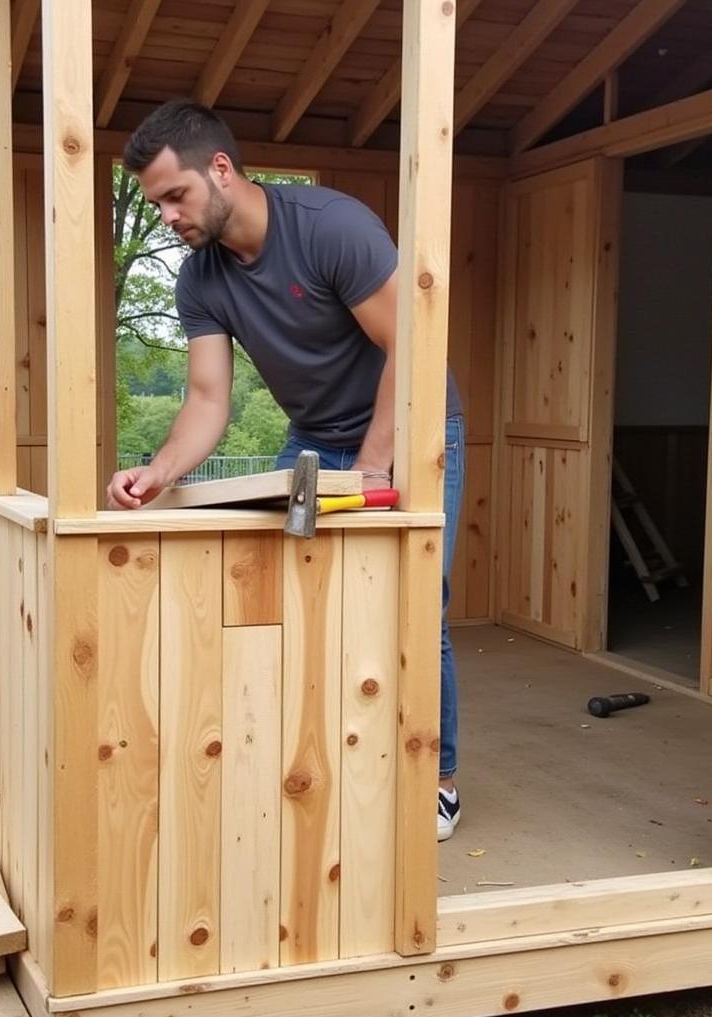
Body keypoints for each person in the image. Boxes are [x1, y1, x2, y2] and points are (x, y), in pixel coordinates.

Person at [107, 99, 466, 842]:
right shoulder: (200, 280)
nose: (168, 216)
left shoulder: (331, 227)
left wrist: (370, 471)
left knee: (413, 607)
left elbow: (412, 349)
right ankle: (309, 758)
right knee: (277, 592)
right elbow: (208, 400)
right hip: (312, 439)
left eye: (175, 195)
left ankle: (438, 779)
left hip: (415, 427)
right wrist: (157, 471)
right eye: (156, 204)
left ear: (221, 169)